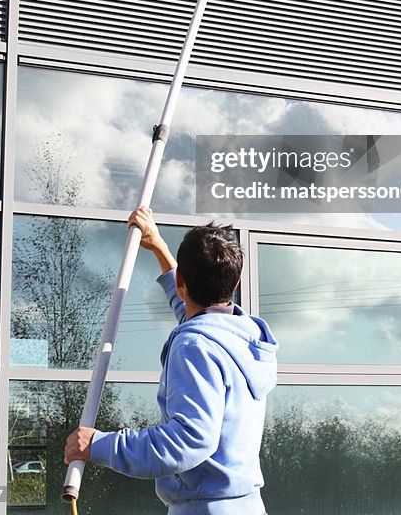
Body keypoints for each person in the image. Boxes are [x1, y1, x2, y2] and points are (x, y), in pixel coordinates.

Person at [64, 207, 278, 515]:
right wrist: (158, 247)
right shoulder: (242, 337)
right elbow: (194, 313)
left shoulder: (195, 346)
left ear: (182, 281)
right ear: (235, 282)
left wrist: (98, 445)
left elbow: (189, 440)